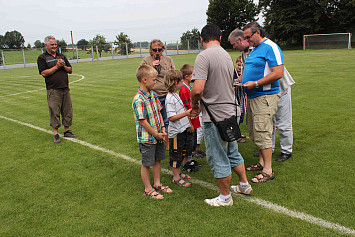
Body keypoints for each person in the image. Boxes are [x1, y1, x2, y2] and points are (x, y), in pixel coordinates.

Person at [191, 24, 253, 207]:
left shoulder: (203, 56)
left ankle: (225, 197)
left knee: (217, 155)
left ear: (202, 39)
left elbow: (197, 89)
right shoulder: (226, 55)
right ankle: (244, 184)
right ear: (219, 38)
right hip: (231, 112)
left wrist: (194, 104)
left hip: (215, 116)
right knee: (232, 151)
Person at [229, 28, 294, 162]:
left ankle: (286, 150)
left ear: (241, 40)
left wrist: (255, 83)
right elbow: (247, 73)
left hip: (279, 88)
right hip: (262, 92)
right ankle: (269, 149)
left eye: (234, 44)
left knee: (283, 121)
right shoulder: (245, 53)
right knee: (267, 122)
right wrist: (237, 81)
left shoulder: (263, 47)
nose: (234, 47)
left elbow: (276, 72)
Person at [239, 22, 283, 183]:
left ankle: (268, 170)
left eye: (248, 37)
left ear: (258, 32)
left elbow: (278, 73)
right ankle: (262, 162)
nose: (246, 40)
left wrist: (255, 83)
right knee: (254, 130)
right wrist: (240, 80)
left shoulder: (270, 47)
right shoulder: (255, 49)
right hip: (253, 96)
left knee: (263, 131)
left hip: (264, 96)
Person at [132, 64, 172, 200]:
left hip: (158, 135)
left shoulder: (153, 94)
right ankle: (148, 189)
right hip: (148, 138)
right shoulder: (139, 99)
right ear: (144, 79)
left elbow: (159, 112)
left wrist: (162, 128)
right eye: (154, 80)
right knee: (147, 163)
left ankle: (157, 184)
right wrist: (155, 134)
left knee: (157, 160)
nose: (156, 82)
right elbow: (143, 121)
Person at [37, 36, 77, 143]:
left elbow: (70, 70)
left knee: (67, 110)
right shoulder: (42, 58)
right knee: (54, 111)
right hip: (53, 89)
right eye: (52, 44)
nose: (54, 46)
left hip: (65, 87)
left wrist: (63, 66)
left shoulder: (62, 56)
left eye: (55, 44)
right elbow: (44, 73)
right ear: (46, 45)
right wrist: (57, 66)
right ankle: (56, 134)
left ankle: (67, 130)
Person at [140, 40, 176, 149]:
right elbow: (140, 74)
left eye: (159, 50)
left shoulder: (168, 60)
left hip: (166, 95)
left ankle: (168, 144)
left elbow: (174, 74)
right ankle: (154, 141)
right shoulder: (146, 60)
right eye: (154, 50)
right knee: (154, 121)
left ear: (162, 49)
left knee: (167, 121)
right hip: (151, 97)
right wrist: (151, 66)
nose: (157, 52)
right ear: (150, 50)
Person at [165, 70, 198, 187]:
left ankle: (179, 174)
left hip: (182, 131)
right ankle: (176, 177)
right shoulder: (169, 98)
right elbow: (172, 117)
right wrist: (186, 113)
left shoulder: (176, 95)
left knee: (181, 152)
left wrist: (189, 117)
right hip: (176, 133)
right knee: (176, 155)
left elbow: (181, 112)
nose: (182, 83)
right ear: (175, 83)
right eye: (181, 81)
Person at [179, 64, 205, 159]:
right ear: (186, 76)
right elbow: (185, 107)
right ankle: (189, 157)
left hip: (194, 117)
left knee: (194, 136)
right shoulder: (183, 89)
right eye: (193, 75)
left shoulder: (189, 87)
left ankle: (194, 152)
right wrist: (190, 122)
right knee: (190, 138)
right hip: (190, 118)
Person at [234, 56, 248, 143]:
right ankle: (236, 136)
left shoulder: (245, 74)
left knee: (241, 118)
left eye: (241, 65)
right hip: (236, 100)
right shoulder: (234, 73)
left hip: (242, 100)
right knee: (236, 119)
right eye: (238, 65)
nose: (239, 67)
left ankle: (238, 133)